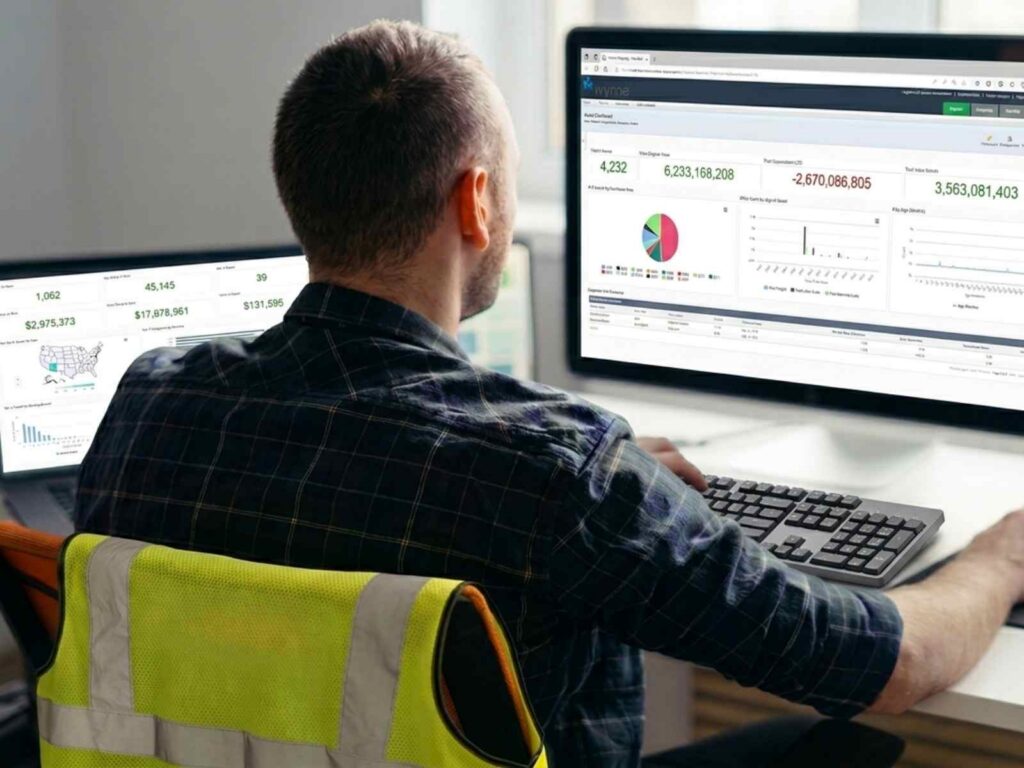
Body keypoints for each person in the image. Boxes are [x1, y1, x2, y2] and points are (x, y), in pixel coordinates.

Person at [75, 20, 1024, 768]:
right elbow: (888, 665)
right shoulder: (556, 476)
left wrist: (628, 493)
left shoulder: (150, 404)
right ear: (478, 202)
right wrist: (1000, 559)